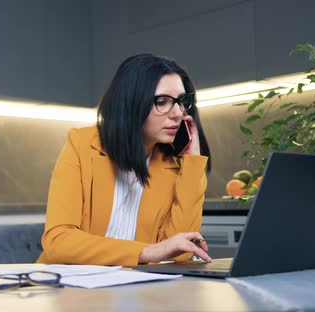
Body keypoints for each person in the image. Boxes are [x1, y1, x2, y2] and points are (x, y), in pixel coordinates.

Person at [37, 54, 213, 266]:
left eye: (181, 102)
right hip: (66, 286)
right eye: (162, 102)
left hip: (132, 289)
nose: (177, 113)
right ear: (131, 103)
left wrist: (192, 163)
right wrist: (147, 252)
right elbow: (59, 241)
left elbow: (179, 251)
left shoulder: (173, 167)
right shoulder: (82, 145)